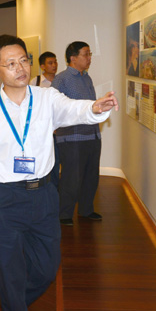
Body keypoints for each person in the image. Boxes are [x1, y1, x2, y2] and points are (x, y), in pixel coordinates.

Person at [0, 34, 117, 311]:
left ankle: (12, 306)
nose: (20, 68)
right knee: (11, 273)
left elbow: (74, 109)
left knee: (47, 268)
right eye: (10, 63)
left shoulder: (46, 97)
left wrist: (95, 107)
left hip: (44, 195)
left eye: (24, 60)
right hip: (5, 199)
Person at [51, 41, 103, 226]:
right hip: (71, 137)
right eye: (86, 54)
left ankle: (86, 210)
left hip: (92, 135)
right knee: (71, 177)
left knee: (91, 175)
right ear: (73, 58)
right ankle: (64, 213)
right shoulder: (61, 79)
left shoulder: (86, 78)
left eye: (89, 54)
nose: (89, 58)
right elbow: (54, 108)